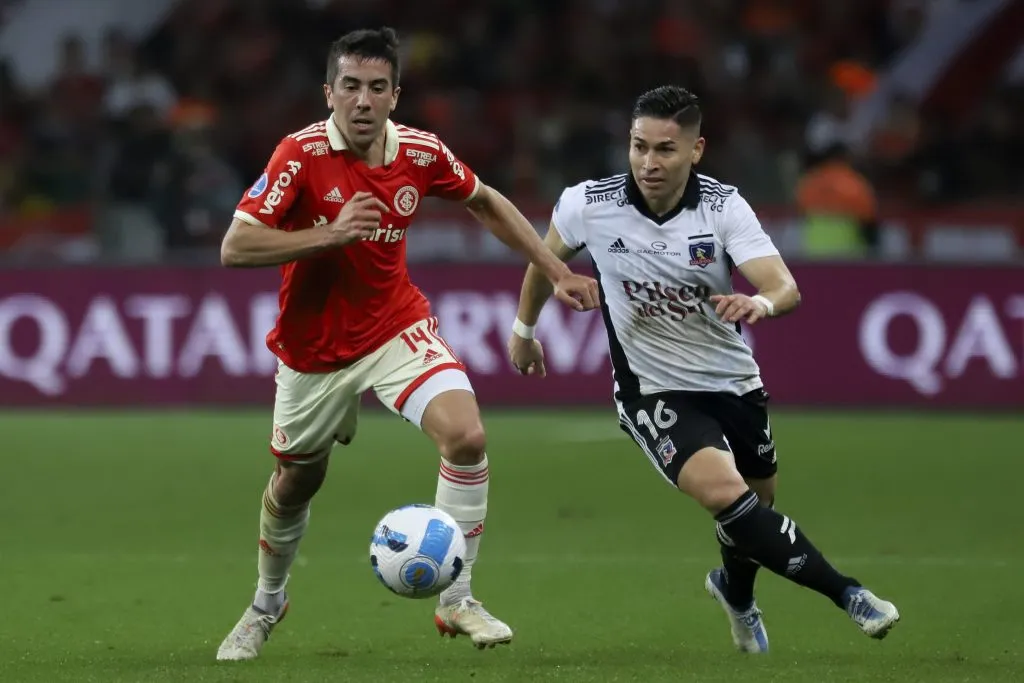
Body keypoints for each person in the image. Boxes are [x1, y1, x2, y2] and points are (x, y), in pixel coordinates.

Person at [216, 27, 599, 661]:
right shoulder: (299, 154)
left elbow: (485, 202)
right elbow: (236, 246)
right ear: (329, 93)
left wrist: (555, 269)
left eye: (376, 88)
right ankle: (267, 602)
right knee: (294, 485)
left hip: (395, 328)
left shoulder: (420, 152)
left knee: (467, 437)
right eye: (350, 87)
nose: (362, 101)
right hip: (313, 351)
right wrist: (328, 236)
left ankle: (458, 599)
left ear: (396, 94)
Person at [507, 85, 899, 654]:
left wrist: (759, 304)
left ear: (695, 150)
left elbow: (783, 286)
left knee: (753, 513)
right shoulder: (589, 203)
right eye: (639, 146)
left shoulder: (722, 207)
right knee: (725, 493)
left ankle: (735, 593)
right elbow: (544, 262)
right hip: (651, 389)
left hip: (733, 382)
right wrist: (524, 332)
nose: (648, 162)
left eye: (665, 149)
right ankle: (850, 595)